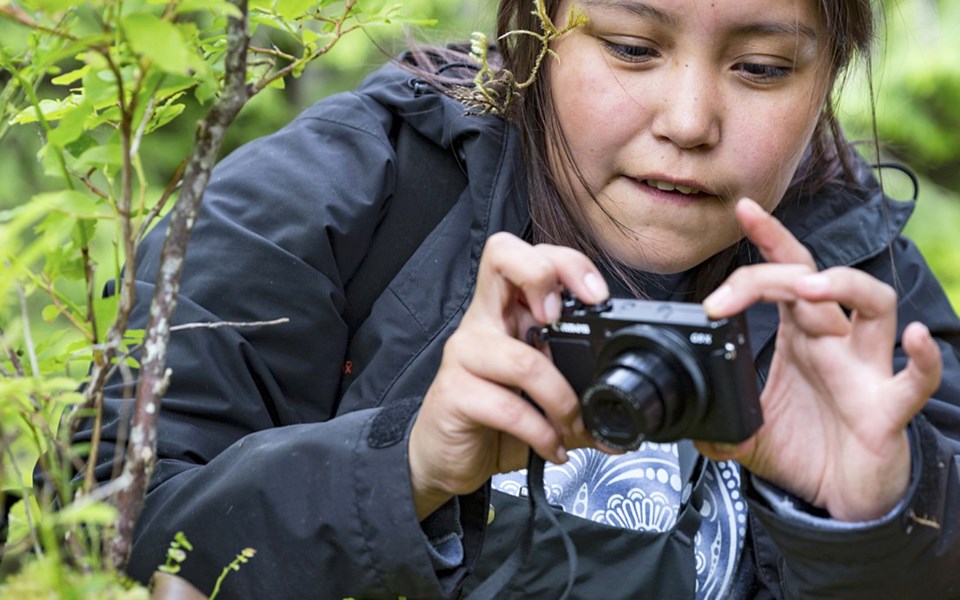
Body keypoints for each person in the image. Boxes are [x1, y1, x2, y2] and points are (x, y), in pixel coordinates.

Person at [78, 0, 960, 597]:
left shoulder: (858, 288)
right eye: (630, 46)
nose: (690, 120)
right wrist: (404, 465)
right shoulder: (333, 205)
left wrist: (880, 513)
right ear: (532, 32)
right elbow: (86, 534)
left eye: (763, 67)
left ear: (830, 75)